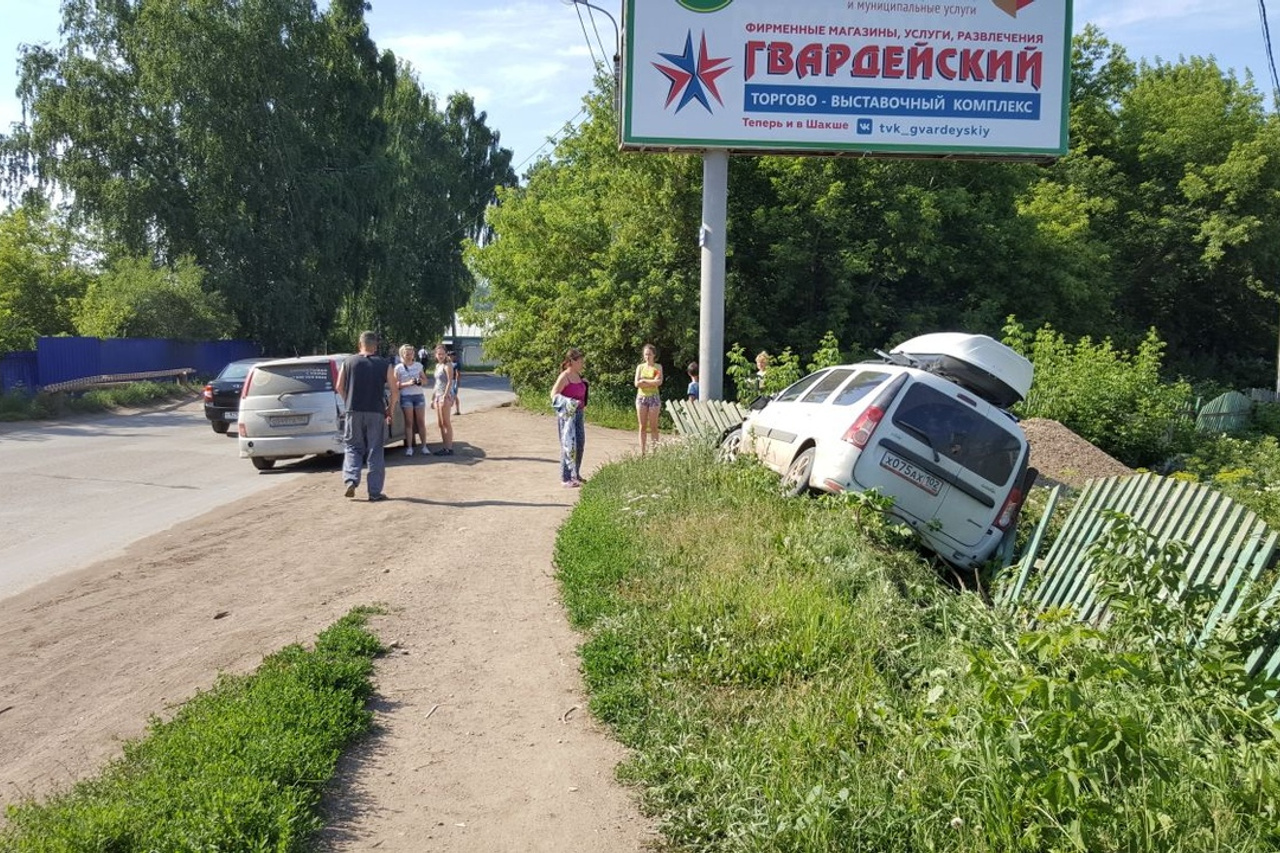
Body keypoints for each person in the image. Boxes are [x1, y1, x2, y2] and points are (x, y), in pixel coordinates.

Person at [336, 331, 397, 502]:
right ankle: (375, 492)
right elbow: (394, 391)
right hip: (376, 411)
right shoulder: (385, 364)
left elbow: (339, 386)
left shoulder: (348, 362)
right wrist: (390, 410)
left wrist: (348, 401)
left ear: (359, 344)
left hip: (353, 411)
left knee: (352, 447)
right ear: (375, 346)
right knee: (375, 450)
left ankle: (351, 480)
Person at [550, 347, 588, 487]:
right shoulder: (564, 376)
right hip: (567, 416)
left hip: (579, 414)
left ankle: (575, 474)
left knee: (580, 444)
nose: (582, 364)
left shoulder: (579, 376)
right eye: (580, 361)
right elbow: (553, 395)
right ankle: (566, 478)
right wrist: (569, 402)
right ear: (572, 361)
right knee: (568, 445)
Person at [394, 344, 429, 457]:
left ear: (414, 354)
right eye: (406, 354)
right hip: (406, 396)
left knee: (421, 422)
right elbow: (395, 384)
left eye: (410, 353)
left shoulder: (418, 365)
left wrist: (420, 381)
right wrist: (407, 384)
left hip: (418, 395)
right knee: (409, 422)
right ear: (402, 355)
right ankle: (409, 447)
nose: (409, 356)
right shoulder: (398, 368)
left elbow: (425, 380)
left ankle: (424, 446)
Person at [634, 343, 663, 454]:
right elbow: (637, 383)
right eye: (645, 354)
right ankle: (643, 451)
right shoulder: (640, 367)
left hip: (654, 398)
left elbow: (658, 381)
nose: (647, 357)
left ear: (654, 355)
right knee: (642, 426)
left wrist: (644, 381)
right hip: (642, 398)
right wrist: (651, 383)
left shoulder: (657, 367)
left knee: (654, 426)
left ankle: (655, 451)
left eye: (649, 354)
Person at [430, 343, 455, 456]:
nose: (440, 356)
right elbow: (437, 383)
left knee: (446, 422)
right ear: (435, 355)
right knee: (440, 423)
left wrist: (445, 395)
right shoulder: (437, 366)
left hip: (445, 396)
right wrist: (433, 397)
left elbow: (450, 381)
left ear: (446, 354)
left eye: (442, 354)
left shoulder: (447, 365)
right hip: (437, 396)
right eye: (438, 354)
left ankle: (449, 448)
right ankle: (444, 447)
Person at [450, 349, 462, 415]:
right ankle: (455, 410)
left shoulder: (457, 364)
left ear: (455, 356)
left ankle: (457, 410)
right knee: (451, 395)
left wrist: (457, 383)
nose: (450, 357)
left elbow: (458, 374)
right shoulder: (449, 363)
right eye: (450, 356)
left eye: (452, 355)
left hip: (454, 381)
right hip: (449, 381)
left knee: (454, 395)